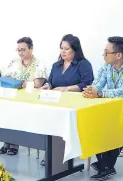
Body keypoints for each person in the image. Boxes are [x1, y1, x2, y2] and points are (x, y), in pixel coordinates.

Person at [83, 36, 123, 180]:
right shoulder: (106, 67)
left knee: (118, 124)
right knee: (92, 121)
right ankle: (104, 162)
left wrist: (100, 93)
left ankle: (107, 166)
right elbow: (97, 84)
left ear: (118, 55)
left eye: (106, 52)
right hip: (110, 109)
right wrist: (91, 90)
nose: (103, 56)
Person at [40, 34, 94, 166]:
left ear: (75, 50)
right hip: (56, 102)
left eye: (66, 49)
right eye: (61, 48)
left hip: (75, 105)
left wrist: (67, 89)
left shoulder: (83, 64)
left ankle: (63, 154)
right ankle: (52, 153)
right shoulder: (56, 65)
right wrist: (48, 86)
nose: (63, 51)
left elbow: (86, 84)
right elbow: (50, 81)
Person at [0, 37, 47, 156]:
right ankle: (7, 141)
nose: (20, 53)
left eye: (23, 50)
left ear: (31, 49)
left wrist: (25, 84)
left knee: (16, 112)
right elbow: (6, 78)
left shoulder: (38, 64)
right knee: (6, 111)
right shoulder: (14, 62)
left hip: (30, 99)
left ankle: (14, 143)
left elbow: (38, 84)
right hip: (13, 96)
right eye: (18, 50)